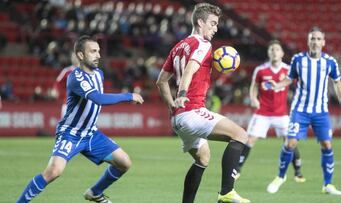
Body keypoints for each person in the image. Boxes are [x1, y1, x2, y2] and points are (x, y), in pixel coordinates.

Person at [17, 35, 144, 203]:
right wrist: (128, 96)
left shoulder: (99, 74)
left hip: (91, 133)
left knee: (124, 162)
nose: (98, 55)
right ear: (80, 55)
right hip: (71, 133)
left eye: (98, 51)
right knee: (53, 171)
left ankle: (95, 192)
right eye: (93, 51)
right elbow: (98, 98)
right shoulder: (75, 78)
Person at [156, 3, 250, 203]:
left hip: (179, 118)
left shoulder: (179, 46)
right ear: (200, 22)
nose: (216, 28)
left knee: (203, 158)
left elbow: (161, 81)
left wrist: (172, 105)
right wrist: (181, 94)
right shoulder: (203, 44)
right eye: (213, 23)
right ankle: (226, 193)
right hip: (192, 110)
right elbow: (190, 69)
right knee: (240, 135)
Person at [266, 27, 341, 195]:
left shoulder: (330, 62)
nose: (315, 42)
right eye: (312, 38)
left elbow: (337, 81)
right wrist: (277, 85)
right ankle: (280, 177)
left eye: (318, 39)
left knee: (327, 145)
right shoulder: (298, 60)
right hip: (300, 110)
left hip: (320, 111)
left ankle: (327, 184)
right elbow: (289, 79)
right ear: (308, 42)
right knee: (290, 143)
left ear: (323, 42)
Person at [237, 40, 305, 183]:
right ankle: (237, 169)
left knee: (290, 141)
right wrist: (253, 98)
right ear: (268, 53)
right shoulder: (261, 70)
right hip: (263, 112)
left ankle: (298, 172)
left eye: (277, 49)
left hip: (282, 114)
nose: (274, 52)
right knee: (250, 140)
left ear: (282, 53)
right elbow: (254, 85)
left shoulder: (288, 69)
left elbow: (299, 85)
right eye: (271, 49)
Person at [52, 52, 78, 117]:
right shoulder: (67, 71)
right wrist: (56, 90)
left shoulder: (87, 72)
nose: (75, 58)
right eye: (73, 56)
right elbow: (58, 83)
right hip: (68, 105)